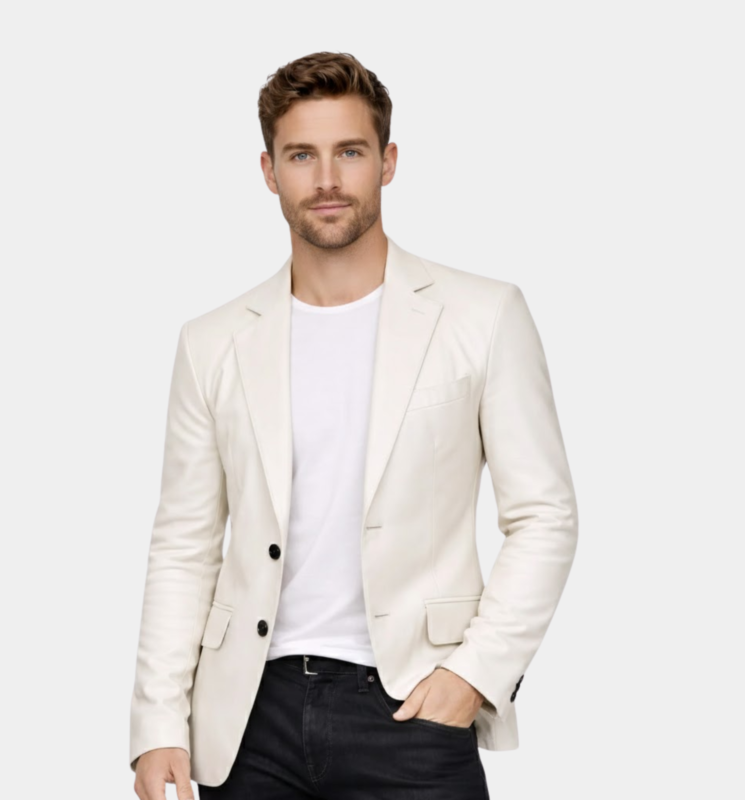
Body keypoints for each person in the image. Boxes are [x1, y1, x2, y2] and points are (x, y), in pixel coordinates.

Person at [130, 51, 578, 800]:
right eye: (302, 155)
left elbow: (545, 516)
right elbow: (183, 543)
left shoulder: (482, 316)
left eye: (350, 152)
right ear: (270, 171)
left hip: (410, 706)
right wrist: (157, 724)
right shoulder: (213, 343)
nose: (327, 179)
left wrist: (473, 675)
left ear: (387, 162)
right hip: (249, 720)